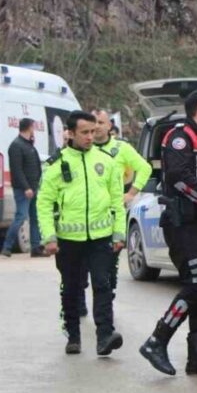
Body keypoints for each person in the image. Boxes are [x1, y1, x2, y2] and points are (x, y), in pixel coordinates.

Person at [139, 90, 197, 376]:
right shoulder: (179, 137)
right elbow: (179, 179)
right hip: (182, 226)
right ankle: (157, 340)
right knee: (196, 286)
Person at [37, 111, 126, 356]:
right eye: (84, 132)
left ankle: (105, 336)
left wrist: (119, 234)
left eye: (93, 131)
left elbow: (117, 201)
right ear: (71, 133)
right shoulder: (56, 164)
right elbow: (44, 203)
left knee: (102, 284)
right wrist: (49, 237)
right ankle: (73, 335)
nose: (90, 136)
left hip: (101, 238)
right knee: (72, 288)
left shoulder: (106, 161)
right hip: (68, 240)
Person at [91, 109, 152, 295]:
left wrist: (132, 193)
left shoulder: (121, 149)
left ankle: (106, 298)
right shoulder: (84, 150)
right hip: (88, 218)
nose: (97, 127)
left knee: (108, 268)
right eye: (93, 123)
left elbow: (144, 168)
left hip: (112, 217)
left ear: (109, 126)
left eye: (101, 123)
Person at [1, 118, 44, 257]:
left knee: (35, 218)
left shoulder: (28, 145)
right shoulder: (16, 146)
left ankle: (36, 247)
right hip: (23, 189)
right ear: (29, 127)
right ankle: (7, 247)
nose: (34, 130)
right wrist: (26, 188)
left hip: (34, 187)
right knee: (21, 217)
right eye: (33, 127)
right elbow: (17, 170)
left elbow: (35, 165)